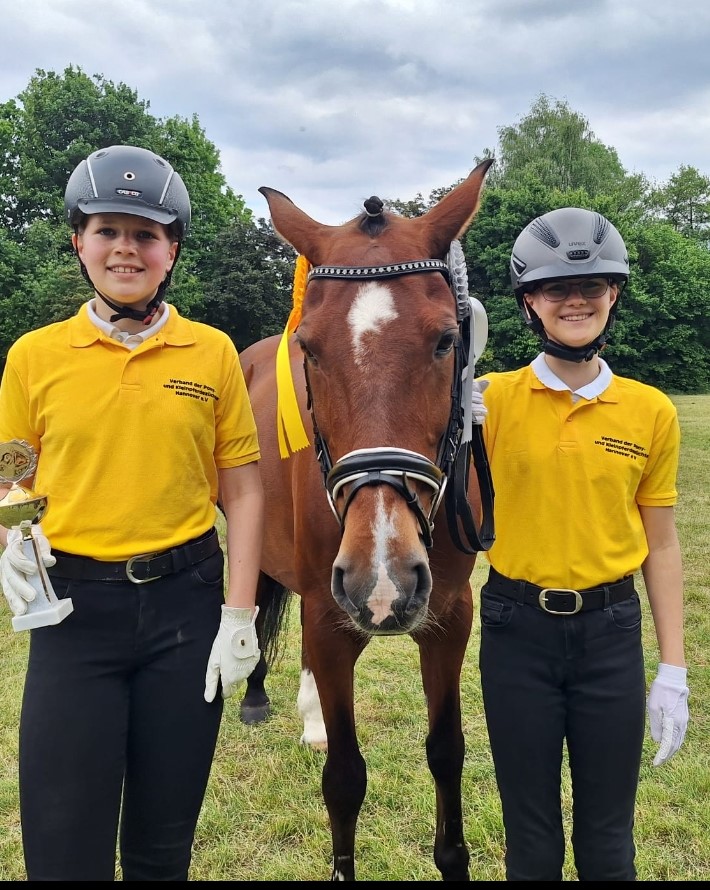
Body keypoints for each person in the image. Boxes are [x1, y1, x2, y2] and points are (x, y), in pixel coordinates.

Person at [0, 145, 265, 881]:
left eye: (145, 234)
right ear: (78, 241)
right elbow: (12, 474)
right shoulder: (33, 356)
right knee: (62, 848)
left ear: (171, 249)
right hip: (74, 614)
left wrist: (238, 615)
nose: (126, 248)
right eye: (108, 230)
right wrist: (12, 539)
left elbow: (242, 489)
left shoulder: (211, 354)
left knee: (161, 847)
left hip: (183, 611)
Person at [472, 207, 688, 881]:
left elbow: (664, 545)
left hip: (610, 635)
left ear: (613, 295)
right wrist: (450, 424)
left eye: (592, 286)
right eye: (557, 289)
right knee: (531, 842)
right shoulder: (491, 400)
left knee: (608, 842)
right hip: (517, 631)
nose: (576, 300)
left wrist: (674, 671)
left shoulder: (652, 411)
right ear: (529, 302)